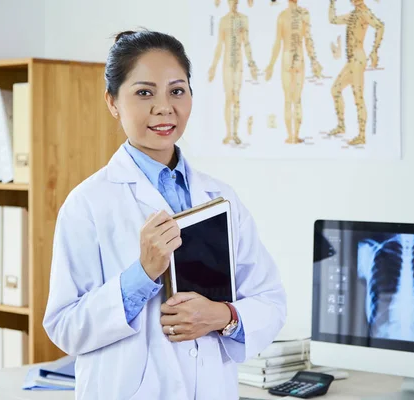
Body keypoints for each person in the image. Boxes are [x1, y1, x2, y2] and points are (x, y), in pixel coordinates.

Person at [42, 29, 287, 400]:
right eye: (144, 92)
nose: (163, 107)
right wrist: (141, 274)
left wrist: (222, 316)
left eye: (177, 90)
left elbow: (270, 299)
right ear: (112, 102)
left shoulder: (221, 197)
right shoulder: (88, 204)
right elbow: (65, 327)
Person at [265, 0, 323, 144]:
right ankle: (295, 136)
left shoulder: (282, 16)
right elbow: (308, 40)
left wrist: (271, 65)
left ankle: (290, 136)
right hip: (299, 59)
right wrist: (314, 61)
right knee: (297, 100)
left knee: (287, 100)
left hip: (286, 58)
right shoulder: (304, 14)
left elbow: (278, 42)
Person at [328, 0, 384, 146]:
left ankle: (362, 135)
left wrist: (374, 51)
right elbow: (333, 20)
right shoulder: (354, 14)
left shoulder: (365, 13)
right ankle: (341, 125)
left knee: (358, 97)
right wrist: (332, 3)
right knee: (335, 90)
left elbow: (380, 26)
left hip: (358, 59)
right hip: (351, 61)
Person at [209, 0, 258, 146]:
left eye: (236, 2)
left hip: (238, 64)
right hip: (227, 65)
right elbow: (219, 45)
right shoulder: (223, 21)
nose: (234, 4)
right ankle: (228, 133)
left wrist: (252, 65)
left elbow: (247, 43)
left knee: (236, 98)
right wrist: (213, 66)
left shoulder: (243, 19)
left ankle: (235, 134)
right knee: (229, 98)